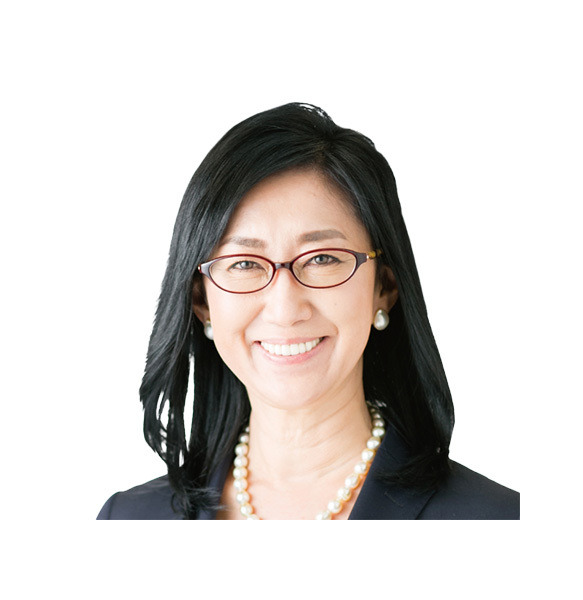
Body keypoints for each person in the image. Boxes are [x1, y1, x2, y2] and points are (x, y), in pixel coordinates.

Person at [97, 102, 519, 520]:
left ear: (384, 288)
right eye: (244, 264)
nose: (285, 309)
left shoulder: (497, 519)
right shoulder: (127, 520)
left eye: (322, 258)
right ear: (202, 301)